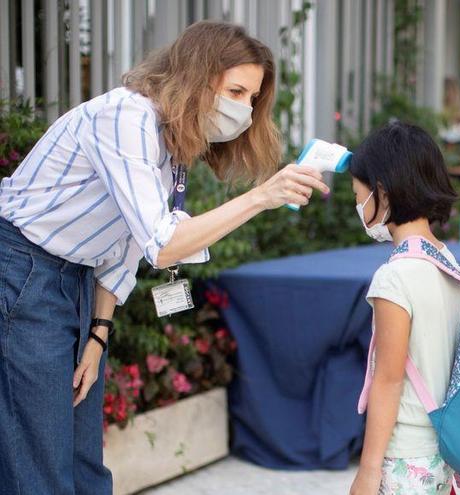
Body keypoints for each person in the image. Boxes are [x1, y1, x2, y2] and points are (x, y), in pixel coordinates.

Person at [0, 22, 329, 494]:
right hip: (23, 267)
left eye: (253, 98)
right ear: (198, 76)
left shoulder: (170, 137)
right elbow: (162, 242)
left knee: (84, 463)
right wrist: (261, 197)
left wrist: (98, 333)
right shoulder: (126, 118)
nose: (245, 109)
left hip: (72, 279)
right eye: (236, 90)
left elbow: (123, 248)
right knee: (39, 465)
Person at [348, 122, 460, 494]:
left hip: (405, 459)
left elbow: (389, 380)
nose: (357, 205)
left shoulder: (394, 278)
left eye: (358, 195)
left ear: (381, 192)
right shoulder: (448, 260)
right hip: (444, 453)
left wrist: (368, 470)